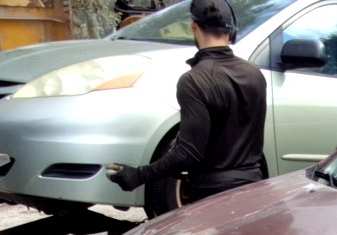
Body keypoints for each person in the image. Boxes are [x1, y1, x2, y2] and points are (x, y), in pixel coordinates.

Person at [107, 0, 267, 208]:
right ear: (231, 30)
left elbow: (188, 153)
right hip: (253, 189)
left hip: (213, 198)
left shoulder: (194, 80)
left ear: (194, 27)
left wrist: (138, 175)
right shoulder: (255, 74)